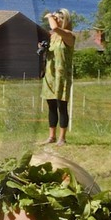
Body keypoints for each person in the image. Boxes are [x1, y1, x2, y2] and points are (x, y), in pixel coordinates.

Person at [42, 8, 76, 144]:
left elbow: (55, 27)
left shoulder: (69, 35)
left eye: (59, 18)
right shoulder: (53, 37)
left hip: (62, 77)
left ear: (65, 20)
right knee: (51, 106)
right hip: (50, 75)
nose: (56, 20)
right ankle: (51, 136)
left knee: (61, 106)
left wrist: (50, 16)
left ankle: (62, 138)